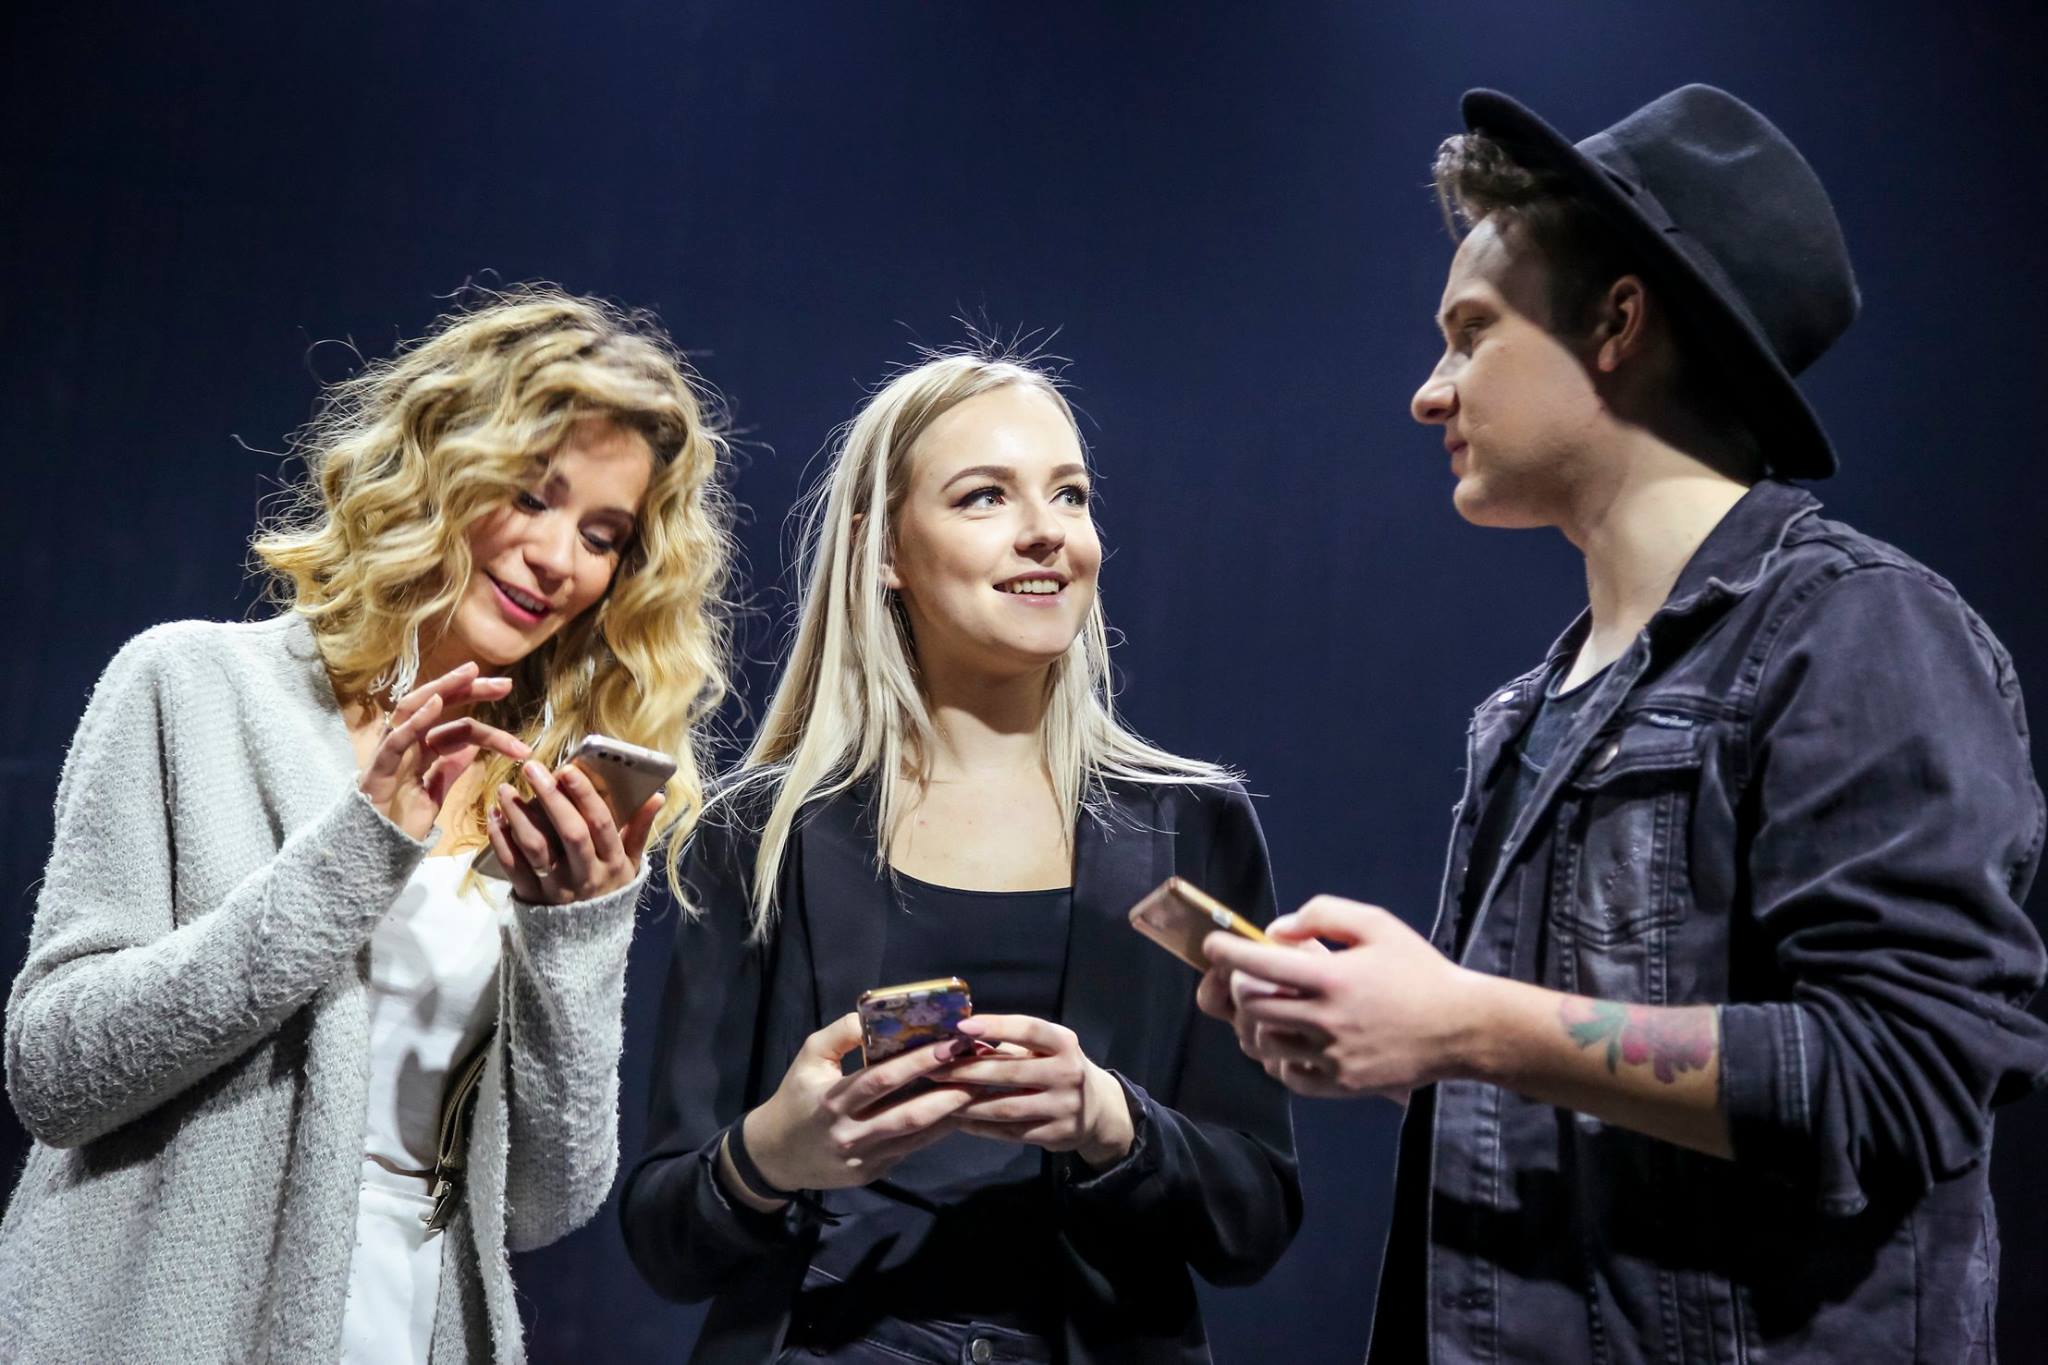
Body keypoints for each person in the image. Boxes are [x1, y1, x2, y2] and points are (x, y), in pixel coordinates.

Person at [1201, 85, 2048, 1362]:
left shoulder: (1857, 631)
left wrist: (1464, 1022)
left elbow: (1901, 1077)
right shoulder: (1527, 709)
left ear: (1616, 322)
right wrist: (1393, 1027)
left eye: (1470, 334)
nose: (1428, 393)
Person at [0, 287, 733, 1363]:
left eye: (601, 535)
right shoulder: (193, 686)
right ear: (441, 466)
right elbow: (55, 1071)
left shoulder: (533, 797)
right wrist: (357, 849)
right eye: (531, 495)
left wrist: (576, 933)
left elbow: (542, 1205)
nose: (558, 559)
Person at [620, 351, 1301, 1363]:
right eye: (985, 496)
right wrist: (771, 1156)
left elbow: (1255, 1218)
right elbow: (665, 1239)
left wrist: (1110, 1119)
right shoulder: (757, 833)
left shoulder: (1189, 827)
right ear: (883, 551)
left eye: (1069, 495)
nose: (1045, 531)